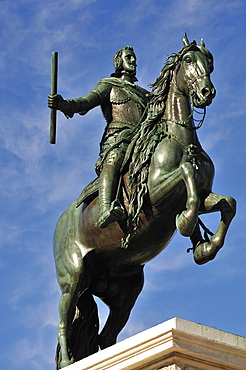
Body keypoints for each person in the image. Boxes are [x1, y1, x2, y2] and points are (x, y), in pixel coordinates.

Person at [48, 46, 149, 228]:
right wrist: (62, 104)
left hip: (143, 138)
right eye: (129, 57)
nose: (133, 60)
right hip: (119, 137)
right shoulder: (109, 85)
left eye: (134, 57)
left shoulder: (145, 94)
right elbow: (86, 102)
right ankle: (106, 208)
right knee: (115, 159)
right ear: (119, 62)